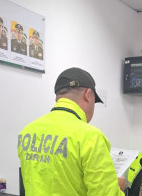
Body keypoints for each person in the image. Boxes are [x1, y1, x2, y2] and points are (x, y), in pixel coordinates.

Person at [18, 67, 126, 196]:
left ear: (57, 98)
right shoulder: (90, 137)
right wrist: (116, 188)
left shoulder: (27, 132)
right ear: (88, 95)